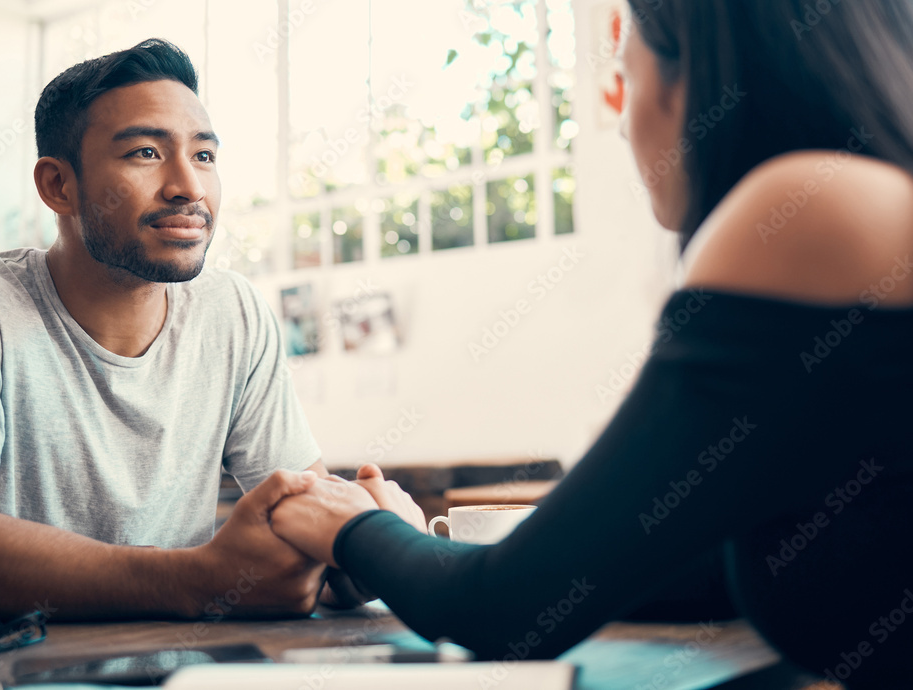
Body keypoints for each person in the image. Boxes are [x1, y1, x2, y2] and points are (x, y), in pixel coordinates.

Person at [269, 1, 913, 687]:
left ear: (692, 77)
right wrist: (414, 547)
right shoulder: (869, 211)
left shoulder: (816, 210)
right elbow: (675, 569)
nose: (621, 124)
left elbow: (505, 613)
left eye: (624, 77)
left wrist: (352, 527)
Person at [0, 39, 366, 621]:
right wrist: (193, 583)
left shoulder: (233, 314)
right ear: (58, 186)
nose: (188, 187)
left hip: (182, 671)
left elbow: (312, 526)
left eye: (204, 156)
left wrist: (365, 548)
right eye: (146, 153)